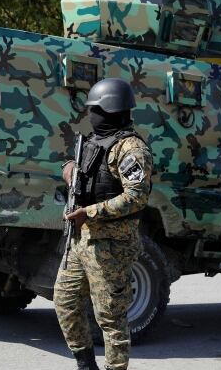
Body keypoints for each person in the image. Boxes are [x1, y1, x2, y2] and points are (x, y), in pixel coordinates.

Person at [54, 78, 153, 370]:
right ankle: (85, 364)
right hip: (80, 241)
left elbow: (136, 197)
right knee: (66, 303)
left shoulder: (131, 149)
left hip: (111, 246)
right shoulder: (94, 142)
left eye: (94, 110)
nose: (90, 115)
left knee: (111, 318)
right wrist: (69, 171)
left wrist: (91, 212)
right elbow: (80, 172)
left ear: (110, 109)